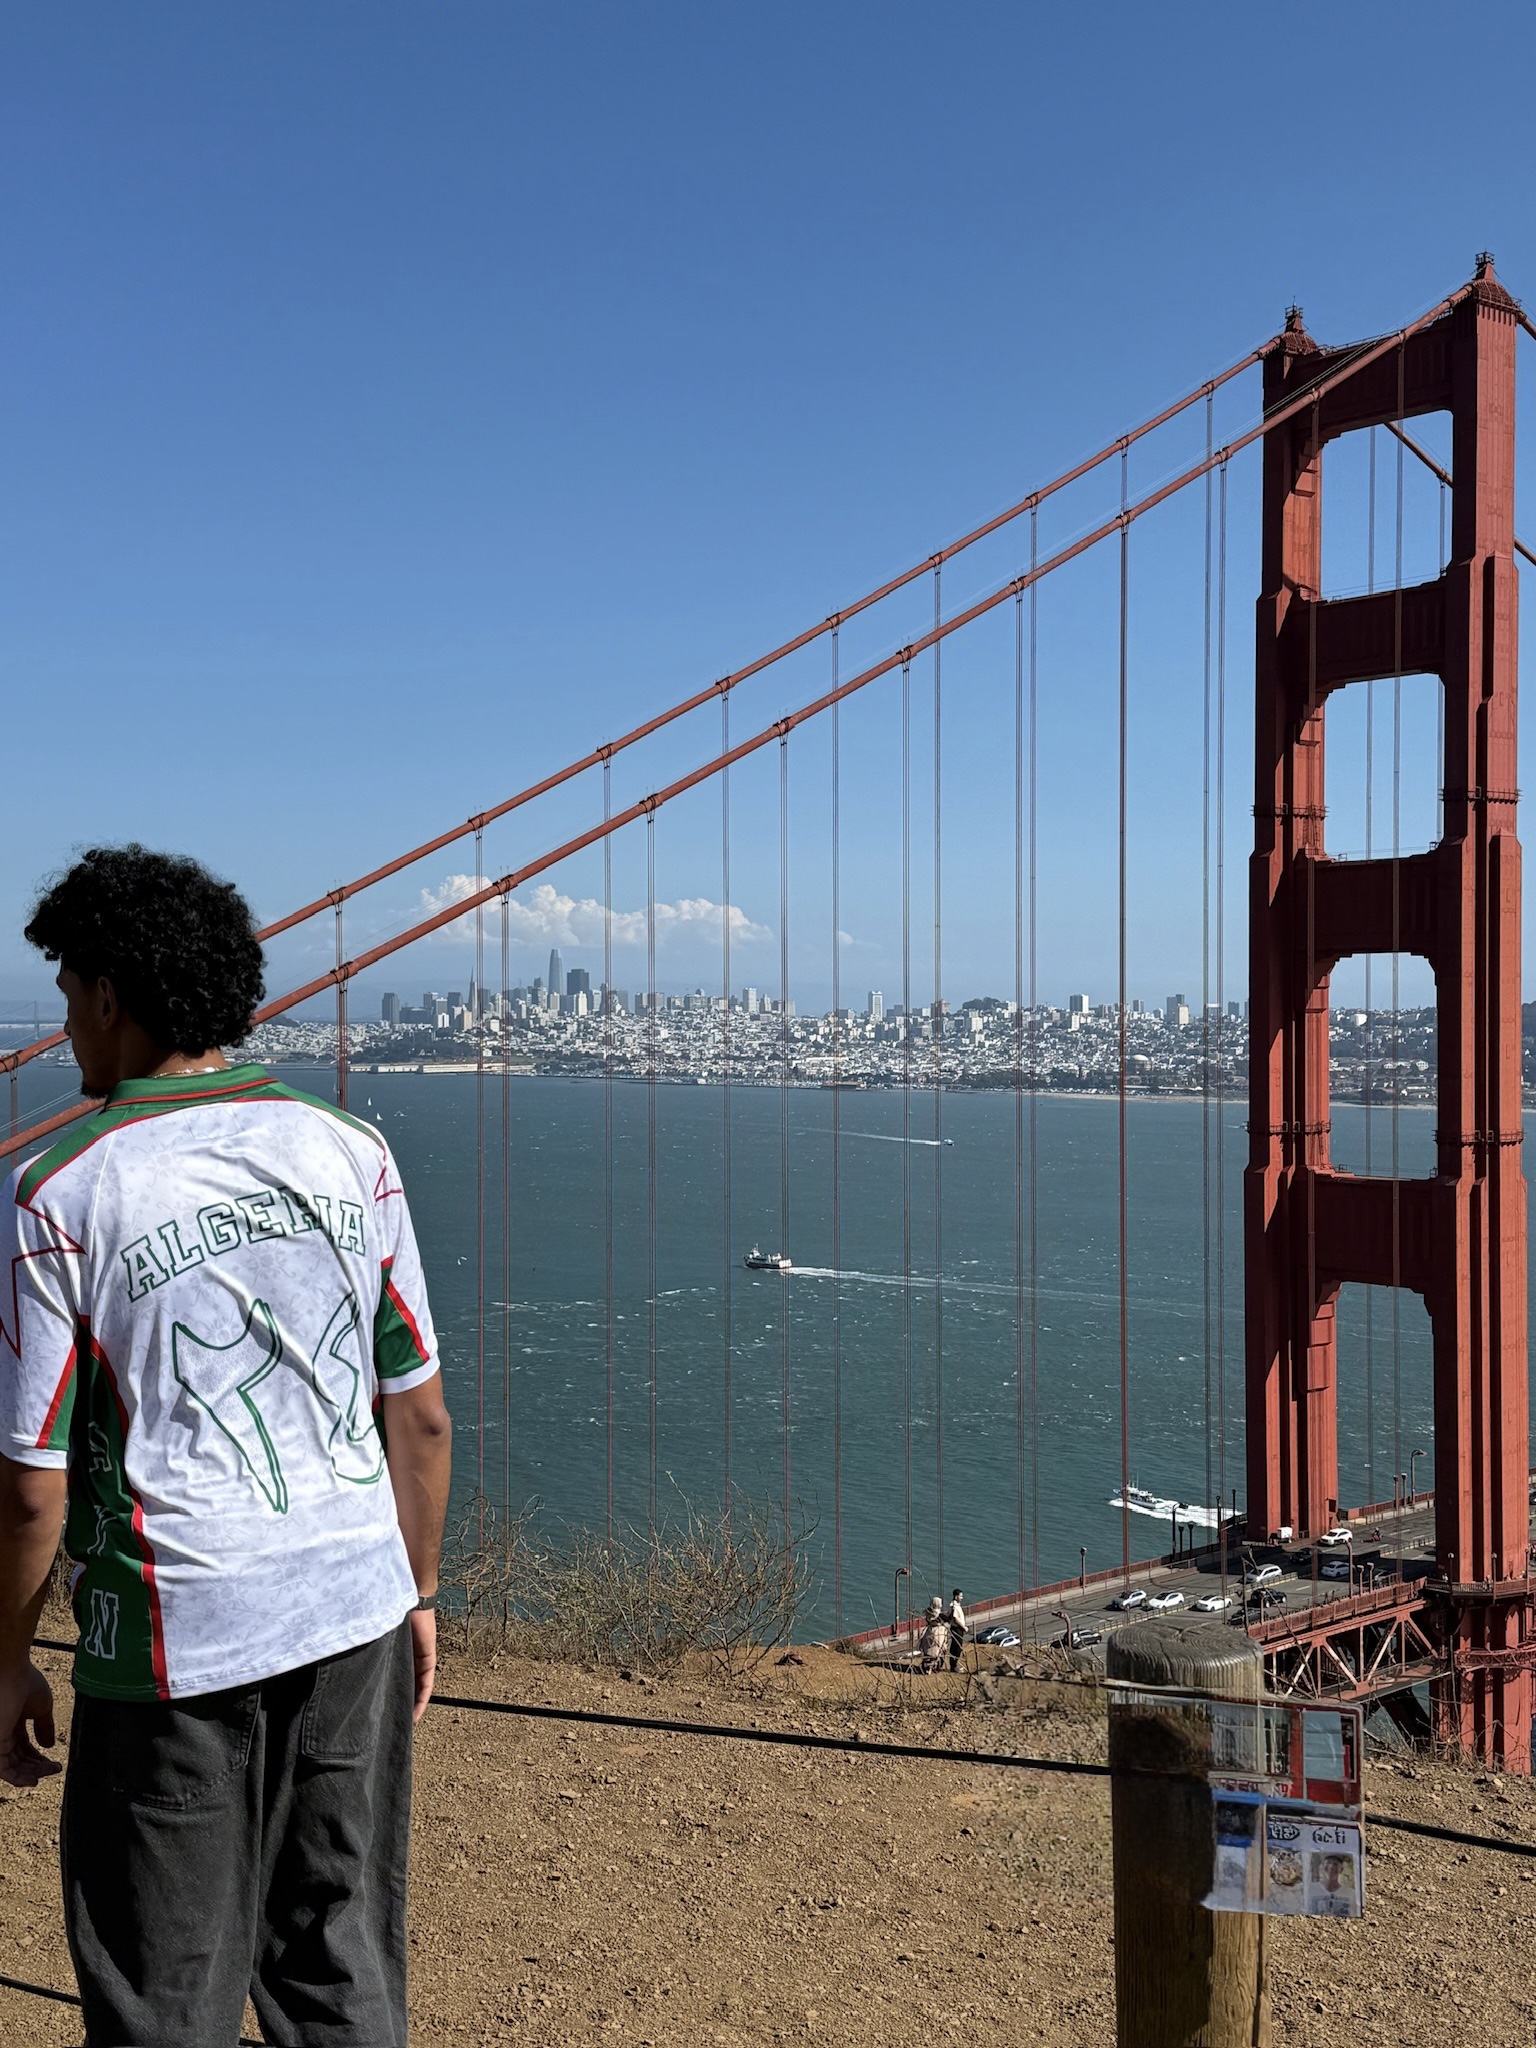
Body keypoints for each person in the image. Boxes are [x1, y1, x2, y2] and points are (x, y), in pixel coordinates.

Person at [0, 846, 452, 2048]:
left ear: (109, 995)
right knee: (335, 1964)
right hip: (356, 1612)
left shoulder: (58, 1190)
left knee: (163, 1995)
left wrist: (4, 1657)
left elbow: (30, 1489)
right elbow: (420, 1413)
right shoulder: (354, 1151)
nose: (63, 1029)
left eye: (66, 995)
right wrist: (418, 1590)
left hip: (176, 1642)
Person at [918, 1596, 949, 1673]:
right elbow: (947, 1619)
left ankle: (927, 1667)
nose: (941, 1605)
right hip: (938, 1632)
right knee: (938, 1649)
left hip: (930, 1631)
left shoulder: (928, 1612)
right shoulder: (937, 1614)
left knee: (928, 1648)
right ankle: (934, 1667)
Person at [945, 1587, 967, 1673]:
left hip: (957, 1628)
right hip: (957, 1628)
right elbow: (955, 1618)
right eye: (961, 1596)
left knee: (956, 1647)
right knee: (957, 1648)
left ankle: (954, 1665)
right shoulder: (954, 1606)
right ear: (956, 1596)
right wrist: (963, 1627)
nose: (962, 1598)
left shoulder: (956, 1605)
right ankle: (954, 1666)